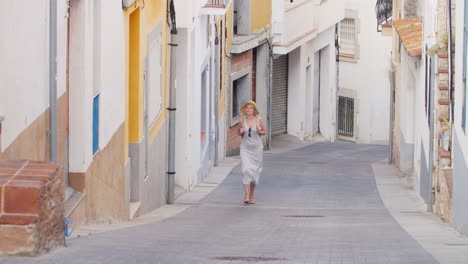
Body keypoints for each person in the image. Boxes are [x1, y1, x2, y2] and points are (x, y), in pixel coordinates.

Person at [237, 101, 266, 204]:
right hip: (245, 148)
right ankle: (246, 194)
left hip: (256, 149)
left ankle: (252, 195)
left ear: (254, 110)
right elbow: (238, 132)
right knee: (245, 170)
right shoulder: (242, 120)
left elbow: (264, 132)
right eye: (247, 108)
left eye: (251, 108)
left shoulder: (259, 120)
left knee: (254, 173)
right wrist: (240, 132)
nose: (249, 110)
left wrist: (259, 130)